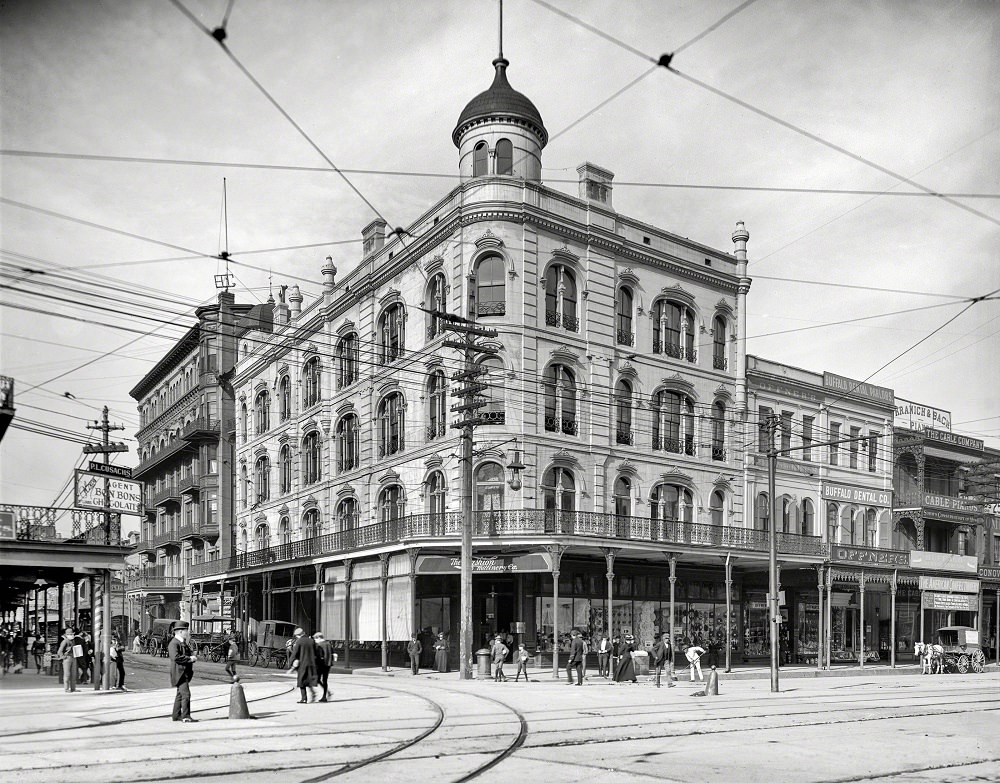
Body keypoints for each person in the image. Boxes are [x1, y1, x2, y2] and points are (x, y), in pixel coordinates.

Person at [168, 621, 197, 722]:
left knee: (180, 695)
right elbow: (176, 657)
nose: (187, 632)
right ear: (180, 631)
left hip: (183, 672)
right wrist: (190, 659)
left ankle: (176, 715)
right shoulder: (174, 643)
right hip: (179, 673)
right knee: (186, 694)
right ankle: (186, 716)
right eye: (186, 630)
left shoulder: (181, 643)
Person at [289, 627, 318, 704]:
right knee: (308, 679)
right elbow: (316, 652)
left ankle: (304, 698)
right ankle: (312, 693)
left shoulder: (299, 641)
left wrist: (291, 663)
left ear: (298, 635)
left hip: (302, 664)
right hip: (311, 663)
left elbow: (295, 653)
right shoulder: (312, 641)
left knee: (301, 681)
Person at [56, 628, 78, 692]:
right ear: (66, 634)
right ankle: (66, 688)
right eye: (69, 634)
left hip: (73, 657)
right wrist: (63, 657)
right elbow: (59, 651)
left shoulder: (73, 641)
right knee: (67, 674)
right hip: (67, 658)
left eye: (71, 634)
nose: (71, 635)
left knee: (73, 674)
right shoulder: (65, 641)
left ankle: (73, 688)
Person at [313, 632, 331, 702]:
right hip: (328, 665)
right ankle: (325, 695)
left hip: (321, 665)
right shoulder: (328, 644)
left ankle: (327, 693)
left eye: (315, 639)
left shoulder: (319, 645)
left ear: (319, 638)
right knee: (325, 680)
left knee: (317, 680)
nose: (315, 640)